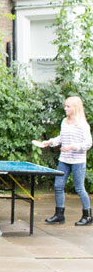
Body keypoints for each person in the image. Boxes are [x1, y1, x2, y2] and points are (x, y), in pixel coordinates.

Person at [38, 96, 92, 226]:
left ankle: (88, 215)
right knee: (58, 186)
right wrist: (49, 142)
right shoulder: (64, 121)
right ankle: (59, 215)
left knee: (79, 188)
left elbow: (88, 143)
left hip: (78, 161)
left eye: (68, 106)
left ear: (75, 108)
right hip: (64, 160)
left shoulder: (83, 125)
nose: (65, 108)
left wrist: (73, 146)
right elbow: (61, 138)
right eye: (65, 106)